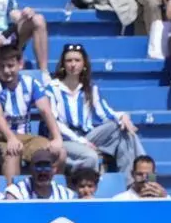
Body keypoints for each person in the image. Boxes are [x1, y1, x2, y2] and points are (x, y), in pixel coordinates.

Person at [47, 42, 143, 173]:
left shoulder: (90, 88)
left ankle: (132, 179)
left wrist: (123, 116)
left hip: (88, 136)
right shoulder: (53, 88)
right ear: (63, 64)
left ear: (84, 64)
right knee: (120, 135)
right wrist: (79, 140)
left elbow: (106, 113)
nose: (73, 64)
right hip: (65, 139)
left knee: (123, 129)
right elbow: (54, 122)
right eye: (69, 60)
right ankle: (144, 172)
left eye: (77, 60)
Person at [0, 45, 66, 181]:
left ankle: (50, 189)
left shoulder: (31, 83)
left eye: (10, 66)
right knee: (13, 152)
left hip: (26, 137)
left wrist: (57, 137)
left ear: (20, 64)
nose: (6, 71)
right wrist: (10, 138)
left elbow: (45, 110)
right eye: (2, 66)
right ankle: (11, 192)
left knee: (60, 152)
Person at [4, 149, 77, 200]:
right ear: (30, 169)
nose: (43, 172)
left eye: (47, 166)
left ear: (54, 170)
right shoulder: (16, 192)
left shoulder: (66, 195)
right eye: (38, 166)